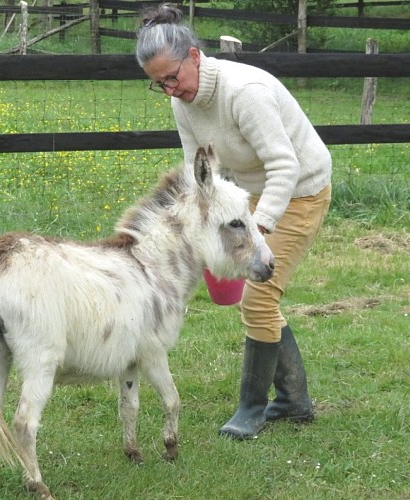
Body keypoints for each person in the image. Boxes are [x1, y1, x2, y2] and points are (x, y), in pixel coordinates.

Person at [136, 3, 332, 440]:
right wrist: (196, 229)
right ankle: (295, 401)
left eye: (173, 77)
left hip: (301, 187)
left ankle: (252, 408)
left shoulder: (244, 92)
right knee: (261, 298)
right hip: (248, 191)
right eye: (158, 84)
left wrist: (255, 232)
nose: (169, 90)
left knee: (259, 297)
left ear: (194, 57)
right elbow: (199, 175)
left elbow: (286, 166)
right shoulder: (183, 104)